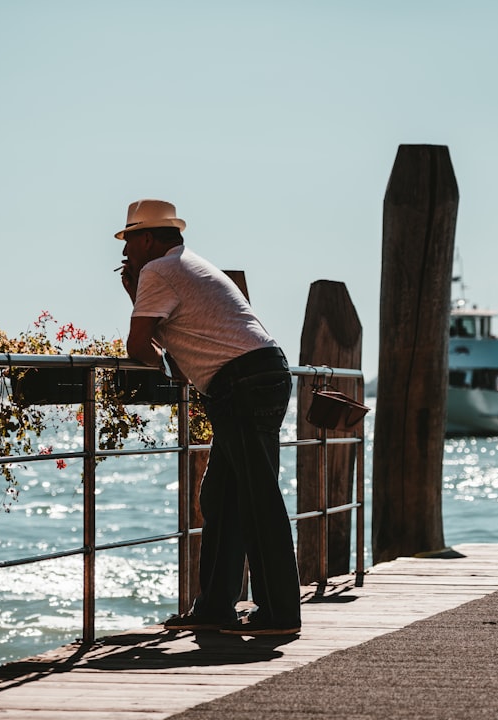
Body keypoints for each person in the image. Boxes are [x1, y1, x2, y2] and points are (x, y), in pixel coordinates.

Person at [115, 198, 302, 636]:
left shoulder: (158, 270)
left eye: (128, 241)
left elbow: (139, 345)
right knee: (223, 496)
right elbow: (179, 340)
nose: (124, 252)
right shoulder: (186, 264)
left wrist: (159, 366)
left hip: (242, 384)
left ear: (146, 238)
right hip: (257, 376)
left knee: (257, 501)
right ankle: (216, 606)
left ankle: (280, 613)